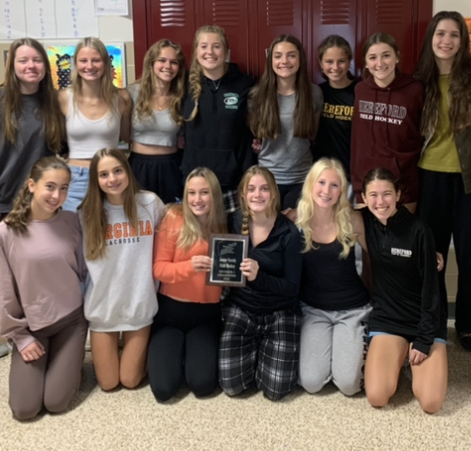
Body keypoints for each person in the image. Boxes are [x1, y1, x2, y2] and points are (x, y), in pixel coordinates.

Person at [0, 38, 65, 360]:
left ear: (46, 66)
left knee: (35, 273)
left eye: (37, 61)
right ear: (12, 65)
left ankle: (36, 329)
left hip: (37, 205)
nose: (31, 67)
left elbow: (60, 149)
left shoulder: (52, 103)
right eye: (23, 61)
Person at [415, 11, 471, 352]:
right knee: (431, 256)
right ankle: (433, 323)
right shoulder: (420, 80)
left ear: (463, 41)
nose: (446, 41)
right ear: (431, 37)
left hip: (469, 180)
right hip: (428, 178)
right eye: (440, 33)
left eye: (454, 35)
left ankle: (468, 326)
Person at [0, 157, 87, 420]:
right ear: (32, 185)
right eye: (50, 187)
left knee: (56, 403)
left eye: (64, 188)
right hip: (32, 326)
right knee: (24, 409)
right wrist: (20, 337)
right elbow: (1, 290)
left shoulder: (71, 222)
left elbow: (84, 270)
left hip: (71, 321)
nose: (57, 195)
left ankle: (70, 362)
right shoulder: (5, 232)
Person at [357, 168, 447, 414]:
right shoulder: (364, 221)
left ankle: (412, 357)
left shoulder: (419, 230)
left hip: (423, 320)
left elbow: (433, 290)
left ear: (398, 195)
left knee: (431, 403)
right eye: (373, 195)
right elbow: (326, 208)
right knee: (377, 397)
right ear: (364, 198)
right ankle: (399, 358)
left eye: (387, 194)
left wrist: (424, 340)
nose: (380, 201)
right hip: (388, 319)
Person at [80, 148, 165, 391]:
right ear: (96, 180)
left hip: (139, 304)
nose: (112, 179)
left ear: (127, 171)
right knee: (108, 384)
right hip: (103, 307)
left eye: (117, 171)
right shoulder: (87, 213)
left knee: (129, 380)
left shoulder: (150, 204)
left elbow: (174, 234)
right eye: (104, 174)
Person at [219, 166, 304, 401]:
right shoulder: (232, 221)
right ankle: (255, 348)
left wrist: (260, 277)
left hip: (280, 311)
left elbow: (292, 290)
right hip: (240, 308)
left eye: (264, 189)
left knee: (276, 390)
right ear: (243, 194)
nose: (258, 195)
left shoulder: (289, 233)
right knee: (232, 386)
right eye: (252, 189)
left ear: (274, 194)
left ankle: (263, 347)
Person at [148, 168, 228, 401]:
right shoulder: (173, 219)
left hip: (207, 315)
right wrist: (189, 266)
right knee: (163, 390)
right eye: (191, 193)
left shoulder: (222, 224)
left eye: (204, 192)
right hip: (170, 314)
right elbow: (158, 269)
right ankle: (176, 353)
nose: (197, 199)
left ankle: (189, 354)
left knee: (202, 385)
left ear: (214, 195)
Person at [297, 158, 370, 396]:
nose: (326, 191)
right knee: (311, 382)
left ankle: (355, 347)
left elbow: (378, 260)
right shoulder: (296, 219)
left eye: (334, 185)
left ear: (342, 191)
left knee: (349, 385)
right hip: (314, 310)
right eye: (322, 182)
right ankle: (332, 358)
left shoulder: (353, 219)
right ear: (311, 184)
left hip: (353, 309)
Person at [181, 26, 255, 218]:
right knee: (198, 245)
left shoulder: (244, 84)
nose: (210, 52)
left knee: (231, 245)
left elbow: (257, 125)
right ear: (196, 51)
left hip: (233, 182)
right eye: (204, 46)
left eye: (216, 46)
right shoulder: (183, 86)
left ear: (226, 51)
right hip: (197, 186)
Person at [351, 32, 424, 208]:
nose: (380, 63)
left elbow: (421, 133)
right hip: (366, 184)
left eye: (386, 55)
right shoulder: (360, 90)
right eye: (373, 57)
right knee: (368, 235)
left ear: (397, 57)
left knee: (402, 235)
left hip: (403, 182)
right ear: (366, 63)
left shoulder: (414, 90)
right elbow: (358, 140)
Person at [59, 37, 132, 212]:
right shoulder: (63, 98)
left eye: (96, 60)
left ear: (106, 63)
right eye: (83, 61)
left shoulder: (122, 98)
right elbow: (57, 140)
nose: (89, 66)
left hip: (112, 178)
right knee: (75, 235)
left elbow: (127, 137)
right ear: (75, 64)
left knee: (109, 234)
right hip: (76, 178)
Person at [250, 35, 322, 210]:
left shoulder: (313, 93)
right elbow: (254, 134)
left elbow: (313, 134)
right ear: (271, 60)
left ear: (300, 59)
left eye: (291, 55)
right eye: (278, 56)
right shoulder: (257, 96)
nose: (284, 61)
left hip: (302, 179)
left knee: (296, 234)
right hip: (267, 179)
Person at [128, 39, 186, 204]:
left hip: (172, 167)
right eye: (162, 60)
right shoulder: (131, 94)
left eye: (173, 62)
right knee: (139, 221)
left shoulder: (182, 97)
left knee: (171, 221)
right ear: (151, 63)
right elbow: (124, 134)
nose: (167, 66)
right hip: (138, 166)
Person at [312, 36, 357, 179]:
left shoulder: (360, 92)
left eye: (341, 61)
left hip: (351, 173)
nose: (335, 67)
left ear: (349, 61)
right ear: (321, 63)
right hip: (322, 174)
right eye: (329, 62)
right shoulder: (317, 93)